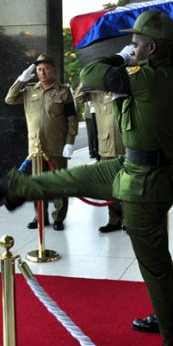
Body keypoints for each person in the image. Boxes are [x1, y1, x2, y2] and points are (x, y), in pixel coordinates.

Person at [0, 10, 173, 346]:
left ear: (151, 47)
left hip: (144, 183)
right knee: (70, 180)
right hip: (134, 167)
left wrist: (122, 58)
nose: (130, 46)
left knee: (155, 266)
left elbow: (90, 75)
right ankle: (5, 187)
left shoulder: (149, 78)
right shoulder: (167, 79)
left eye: (136, 42)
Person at [5, 54, 78, 231]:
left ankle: (58, 218)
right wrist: (20, 80)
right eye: (39, 69)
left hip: (57, 145)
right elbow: (9, 98)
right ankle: (40, 217)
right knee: (37, 184)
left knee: (59, 184)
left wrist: (70, 141)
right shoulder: (29, 90)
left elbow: (72, 118)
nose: (42, 72)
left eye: (46, 69)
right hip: (36, 147)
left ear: (53, 70)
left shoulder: (63, 91)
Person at [75, 82, 125, 233]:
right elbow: (78, 97)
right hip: (106, 144)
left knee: (129, 185)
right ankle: (114, 220)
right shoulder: (97, 92)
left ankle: (130, 220)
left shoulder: (125, 86)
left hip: (127, 143)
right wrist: (85, 80)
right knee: (110, 186)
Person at [74, 83, 99, 159]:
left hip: (101, 111)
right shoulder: (85, 82)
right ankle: (92, 152)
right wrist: (83, 82)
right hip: (90, 112)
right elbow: (77, 96)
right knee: (91, 134)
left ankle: (97, 152)